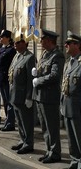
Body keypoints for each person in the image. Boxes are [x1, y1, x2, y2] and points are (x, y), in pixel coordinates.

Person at [32, 29, 65, 163]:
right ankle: (49, 150)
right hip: (40, 96)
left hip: (50, 97)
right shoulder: (45, 54)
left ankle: (55, 153)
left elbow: (54, 76)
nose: (41, 42)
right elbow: (42, 71)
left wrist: (38, 80)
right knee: (44, 127)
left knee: (52, 127)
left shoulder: (57, 56)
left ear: (49, 41)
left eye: (43, 40)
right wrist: (36, 74)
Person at [9, 35, 35, 154]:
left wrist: (29, 97)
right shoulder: (17, 56)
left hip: (24, 95)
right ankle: (22, 139)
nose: (16, 44)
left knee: (26, 121)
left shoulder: (29, 57)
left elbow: (31, 80)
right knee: (19, 120)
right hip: (15, 94)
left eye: (19, 42)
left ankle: (28, 143)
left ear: (25, 43)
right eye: (15, 42)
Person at [60, 31, 81, 169]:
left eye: (69, 43)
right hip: (67, 105)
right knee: (71, 138)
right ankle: (74, 160)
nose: (65, 45)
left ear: (77, 45)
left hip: (78, 107)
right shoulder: (68, 63)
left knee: (79, 136)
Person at [0, 29, 16, 131]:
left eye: (2, 37)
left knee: (9, 102)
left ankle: (10, 122)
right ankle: (7, 121)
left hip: (7, 79)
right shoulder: (1, 49)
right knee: (5, 101)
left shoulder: (11, 50)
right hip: (1, 78)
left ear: (8, 38)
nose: (0, 38)